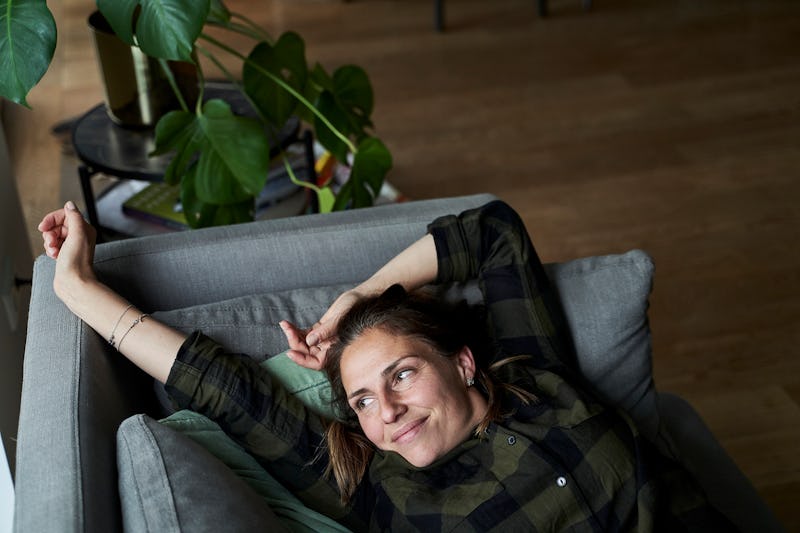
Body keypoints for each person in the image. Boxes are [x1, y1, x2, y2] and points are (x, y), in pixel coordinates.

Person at [39, 200, 735, 532]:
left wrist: (361, 298)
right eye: (363, 400)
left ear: (464, 362)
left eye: (400, 374)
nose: (388, 410)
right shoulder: (377, 490)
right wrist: (74, 288)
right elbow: (225, 390)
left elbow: (494, 232)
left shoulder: (538, 374)